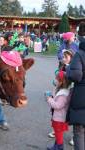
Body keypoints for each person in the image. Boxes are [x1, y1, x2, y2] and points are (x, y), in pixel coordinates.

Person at [66, 22, 85, 150]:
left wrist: (68, 69)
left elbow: (75, 76)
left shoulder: (80, 54)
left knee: (79, 132)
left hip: (81, 96)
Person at [46, 70, 72, 150]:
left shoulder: (63, 94)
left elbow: (58, 105)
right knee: (58, 134)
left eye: (57, 79)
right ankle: (56, 146)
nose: (55, 80)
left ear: (61, 82)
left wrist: (49, 99)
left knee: (58, 133)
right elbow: (56, 97)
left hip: (60, 118)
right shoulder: (60, 90)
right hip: (58, 117)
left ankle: (59, 147)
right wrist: (51, 96)